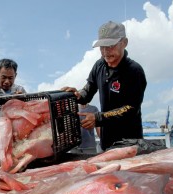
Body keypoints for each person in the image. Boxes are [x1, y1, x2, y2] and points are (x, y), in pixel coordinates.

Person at [62, 21, 147, 151]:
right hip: (106, 143)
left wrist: (98, 118)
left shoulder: (134, 71)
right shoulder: (99, 66)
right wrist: (78, 95)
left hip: (129, 143)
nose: (105, 52)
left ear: (124, 43)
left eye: (110, 46)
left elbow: (130, 108)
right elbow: (87, 92)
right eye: (102, 47)